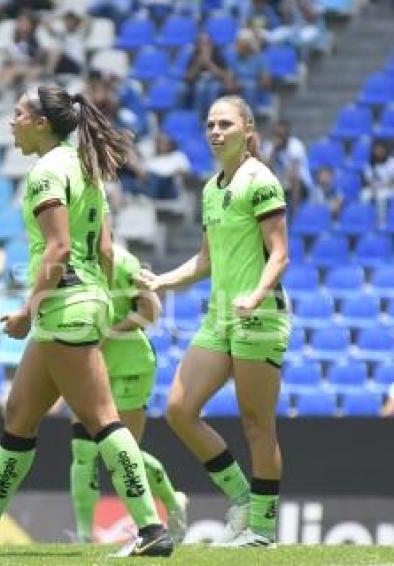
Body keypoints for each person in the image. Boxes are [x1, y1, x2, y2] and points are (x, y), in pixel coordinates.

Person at [0, 85, 173, 557]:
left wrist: (27, 310)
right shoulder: (87, 168)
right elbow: (103, 250)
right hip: (84, 302)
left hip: (64, 306)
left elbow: (59, 248)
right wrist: (97, 301)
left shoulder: (45, 173)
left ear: (41, 122)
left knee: (102, 420)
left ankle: (149, 529)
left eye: (17, 113)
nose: (11, 121)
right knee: (19, 414)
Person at [135, 95, 291, 548]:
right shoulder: (209, 189)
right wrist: (163, 280)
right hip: (220, 317)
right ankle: (240, 497)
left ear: (247, 128)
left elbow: (280, 254)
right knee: (180, 410)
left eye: (225, 124)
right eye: (210, 125)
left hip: (258, 316)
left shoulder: (261, 181)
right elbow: (204, 259)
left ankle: (261, 530)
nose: (216, 132)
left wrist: (257, 294)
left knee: (257, 424)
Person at [70, 242, 188, 545]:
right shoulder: (68, 262)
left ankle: (173, 503)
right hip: (88, 367)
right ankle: (84, 536)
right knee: (83, 451)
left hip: (130, 366)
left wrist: (108, 333)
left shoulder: (124, 262)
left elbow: (152, 311)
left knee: (125, 454)